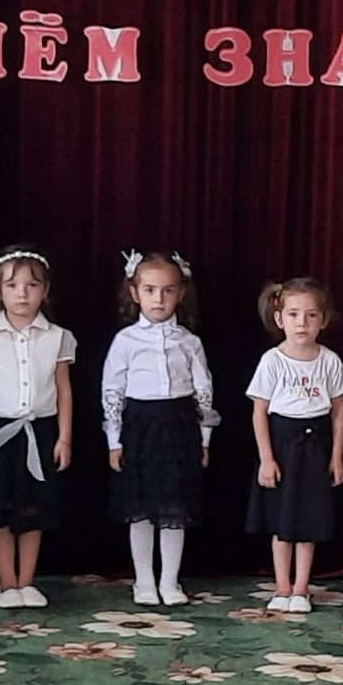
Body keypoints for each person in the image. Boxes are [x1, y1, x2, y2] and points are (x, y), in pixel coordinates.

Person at [102, 251, 214, 606]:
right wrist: (114, 440)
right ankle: (144, 581)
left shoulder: (190, 342)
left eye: (168, 290)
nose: (159, 299)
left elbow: (204, 392)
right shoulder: (125, 341)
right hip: (139, 428)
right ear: (135, 293)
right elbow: (112, 391)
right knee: (140, 509)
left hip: (179, 427)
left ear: (180, 292)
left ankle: (169, 581)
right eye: (150, 290)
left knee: (173, 509)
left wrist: (204, 438)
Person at [0, 247, 76, 609]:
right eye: (12, 285)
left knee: (34, 509)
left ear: (46, 290)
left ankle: (27, 581)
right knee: (0, 509)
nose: (22, 293)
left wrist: (64, 437)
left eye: (32, 285)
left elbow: (64, 389)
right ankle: (7, 582)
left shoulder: (58, 336)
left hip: (40, 432)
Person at [247, 278, 343, 614]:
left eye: (310, 315)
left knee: (308, 521)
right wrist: (266, 458)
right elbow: (259, 412)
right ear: (280, 319)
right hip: (282, 445)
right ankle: (282, 587)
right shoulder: (272, 361)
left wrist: (336, 457)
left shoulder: (330, 361)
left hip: (316, 446)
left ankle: (301, 589)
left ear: (324, 320)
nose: (302, 323)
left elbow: (338, 413)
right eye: (293, 314)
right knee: (282, 522)